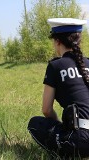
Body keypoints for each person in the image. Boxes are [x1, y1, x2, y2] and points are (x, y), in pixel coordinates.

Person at [27, 18, 89, 159]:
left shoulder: (56, 66)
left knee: (35, 124)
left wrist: (61, 126)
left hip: (80, 140)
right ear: (79, 40)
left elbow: (46, 110)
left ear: (57, 42)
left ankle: (65, 152)